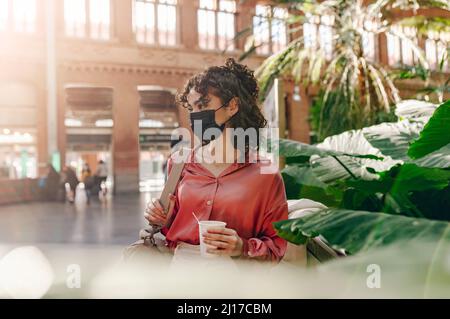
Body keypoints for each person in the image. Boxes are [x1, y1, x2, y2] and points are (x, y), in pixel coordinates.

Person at [144, 58, 289, 262]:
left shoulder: (265, 175)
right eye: (192, 108)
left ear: (232, 106)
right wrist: (160, 217)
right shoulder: (179, 163)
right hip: (180, 274)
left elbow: (276, 247)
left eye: (203, 105)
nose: (195, 116)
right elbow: (168, 227)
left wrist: (242, 246)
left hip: (232, 282)